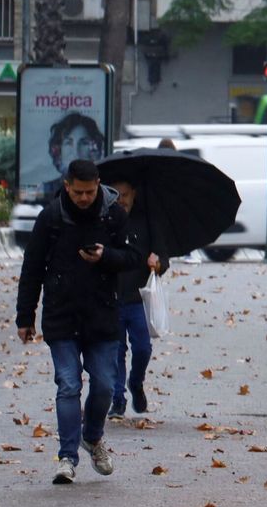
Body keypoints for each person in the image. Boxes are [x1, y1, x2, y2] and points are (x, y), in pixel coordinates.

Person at [16, 159, 141, 484]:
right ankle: (67, 457)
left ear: (98, 184)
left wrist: (106, 257)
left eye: (89, 191)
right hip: (62, 314)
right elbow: (32, 268)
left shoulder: (114, 215)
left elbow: (132, 258)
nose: (84, 198)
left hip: (101, 315)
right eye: (78, 192)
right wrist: (25, 316)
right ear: (67, 186)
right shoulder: (52, 218)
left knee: (103, 385)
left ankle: (93, 436)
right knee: (68, 385)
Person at [108, 180, 168, 420]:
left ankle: (136, 382)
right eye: (116, 195)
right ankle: (117, 400)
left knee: (142, 349)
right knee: (116, 351)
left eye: (125, 195)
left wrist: (158, 263)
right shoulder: (107, 220)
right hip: (111, 297)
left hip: (138, 298)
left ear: (133, 194)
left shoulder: (147, 222)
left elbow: (163, 256)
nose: (121, 200)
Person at [39, 112, 104, 197]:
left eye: (84, 142)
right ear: (58, 150)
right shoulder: (45, 190)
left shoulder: (105, 192)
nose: (75, 151)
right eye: (68, 143)